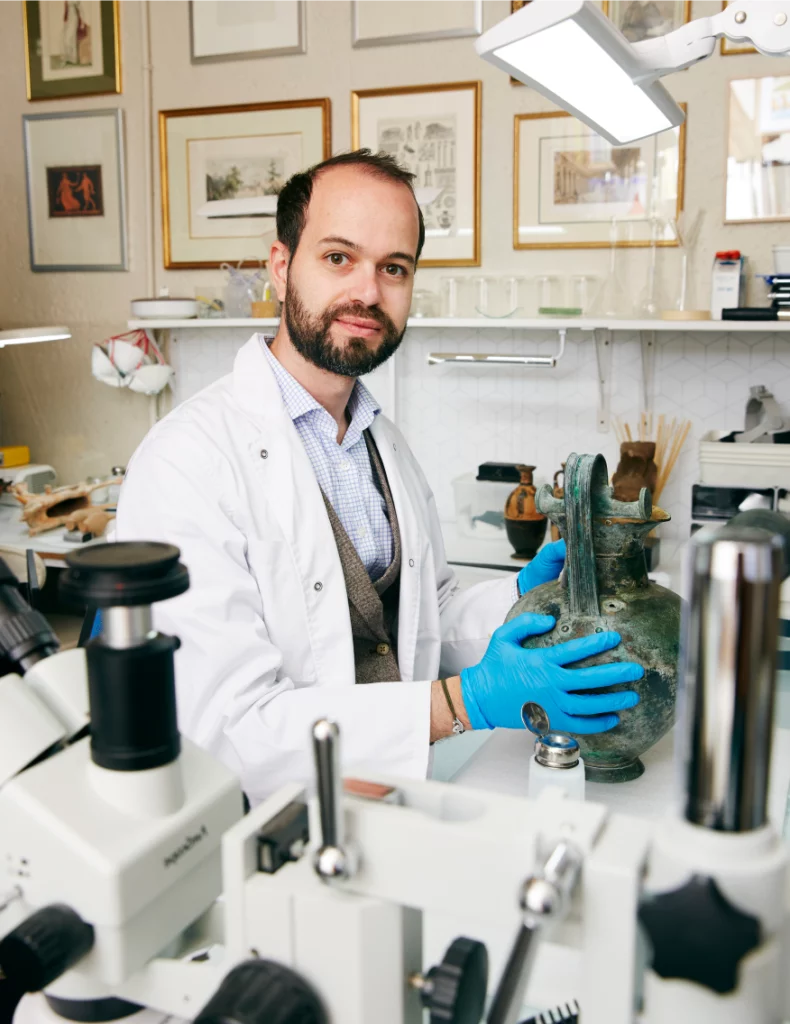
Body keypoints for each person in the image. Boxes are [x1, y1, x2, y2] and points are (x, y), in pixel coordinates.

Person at [115, 150, 643, 803]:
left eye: (394, 268)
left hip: (385, 797)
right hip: (261, 830)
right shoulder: (186, 462)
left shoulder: (379, 440)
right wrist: (465, 703)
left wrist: (524, 600)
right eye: (338, 258)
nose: (368, 291)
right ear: (281, 268)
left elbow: (426, 613)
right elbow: (231, 731)